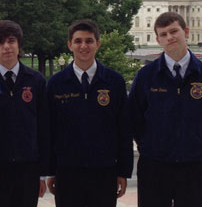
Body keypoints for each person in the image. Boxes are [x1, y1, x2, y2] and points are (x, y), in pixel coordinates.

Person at [46, 19, 133, 207]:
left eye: (89, 40)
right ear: (70, 45)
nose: (83, 46)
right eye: (78, 41)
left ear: (98, 44)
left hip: (104, 170)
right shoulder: (55, 83)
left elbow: (124, 129)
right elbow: (49, 130)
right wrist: (50, 171)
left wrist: (123, 171)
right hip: (67, 171)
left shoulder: (114, 81)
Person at [129, 11, 202, 207]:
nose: (169, 37)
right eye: (163, 34)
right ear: (158, 39)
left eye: (173, 31)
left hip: (195, 165)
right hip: (155, 165)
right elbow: (134, 117)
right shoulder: (146, 76)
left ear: (186, 31)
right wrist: (147, 146)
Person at [0, 20, 49, 207]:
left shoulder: (36, 81)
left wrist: (43, 173)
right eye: (0, 42)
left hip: (28, 169)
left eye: (11, 41)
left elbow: (43, 128)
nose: (6, 47)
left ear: (19, 44)